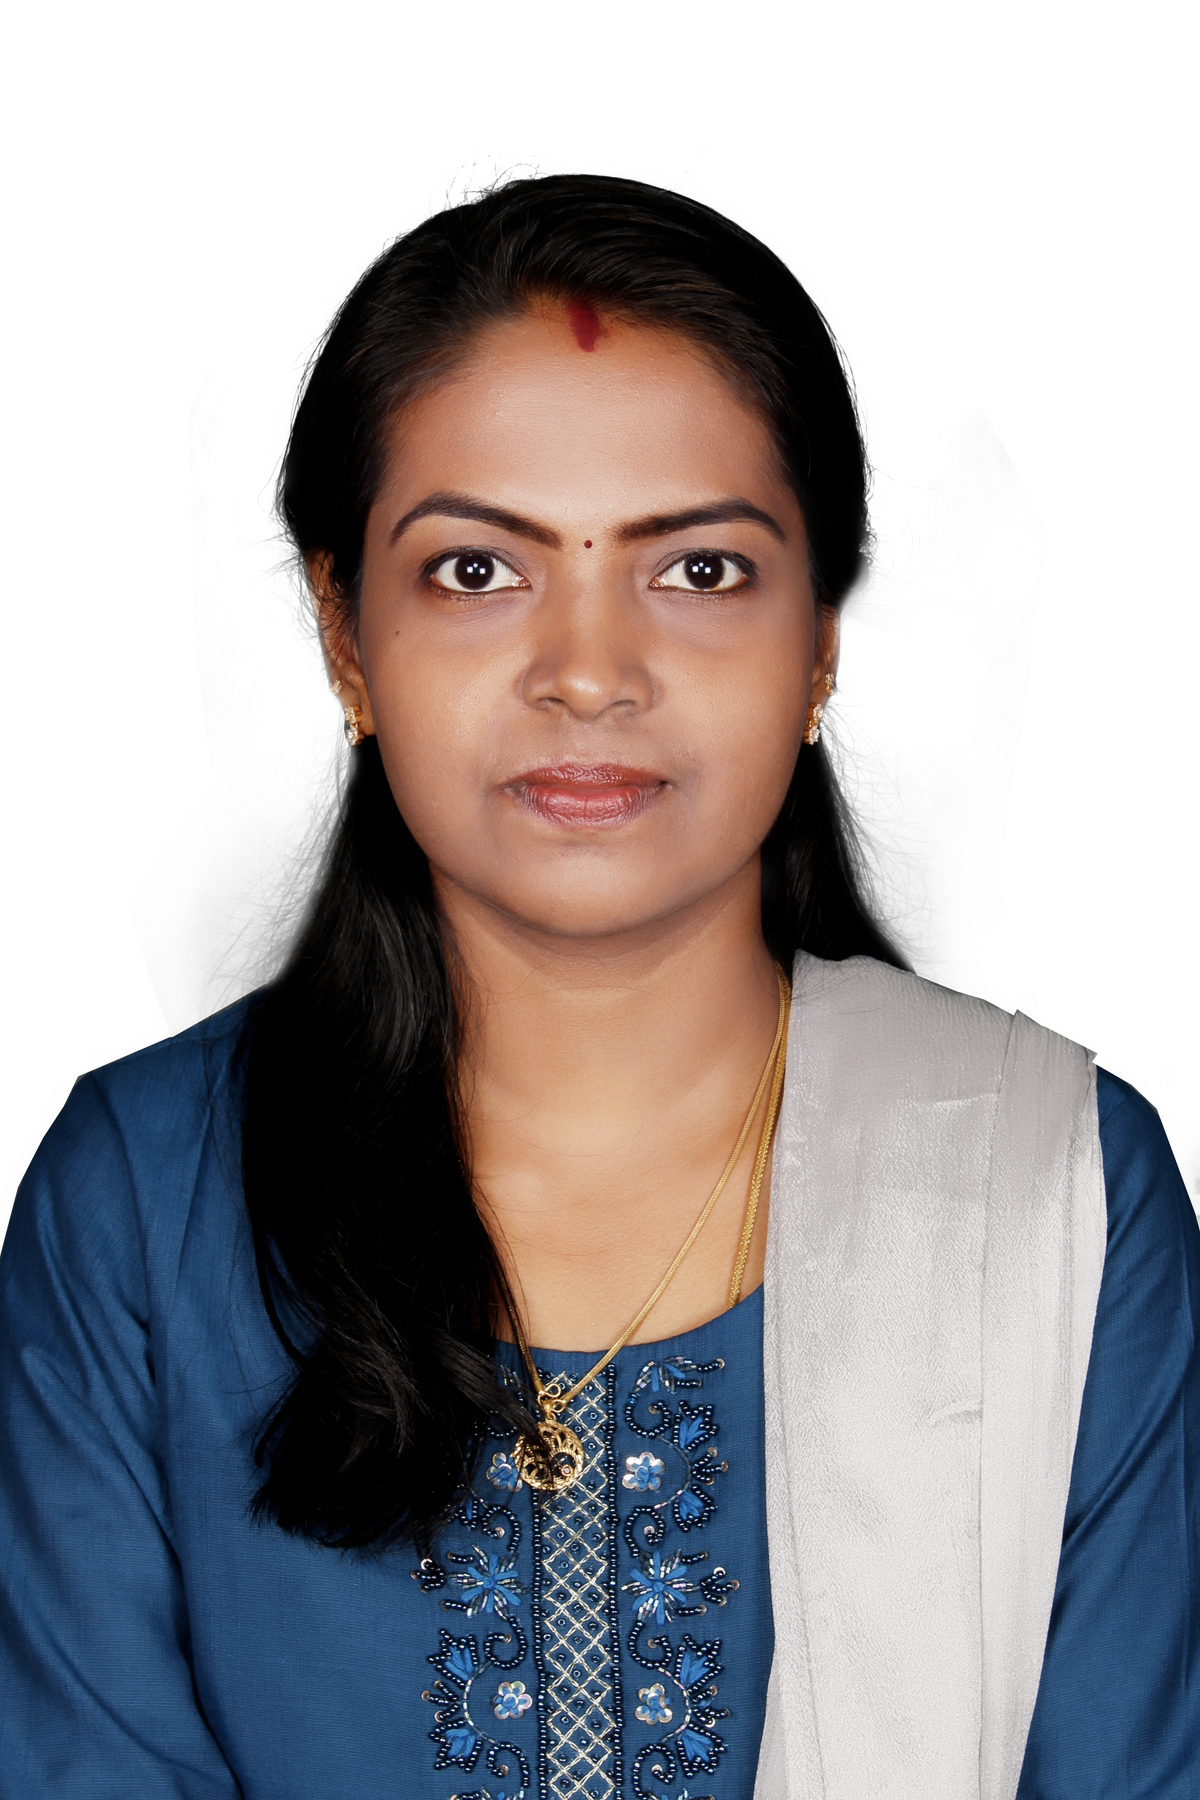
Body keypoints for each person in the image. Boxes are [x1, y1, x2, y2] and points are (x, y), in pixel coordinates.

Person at [0, 175, 1195, 1800]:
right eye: (474, 572)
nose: (588, 671)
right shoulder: (144, 1204)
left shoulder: (1045, 1188)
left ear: (821, 639)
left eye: (697, 570)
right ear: (344, 636)